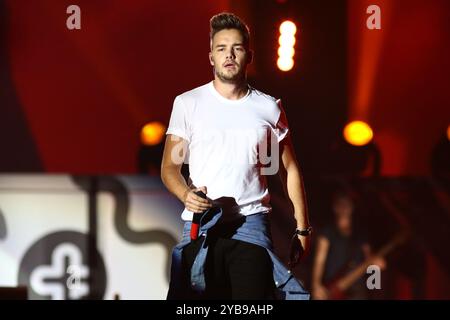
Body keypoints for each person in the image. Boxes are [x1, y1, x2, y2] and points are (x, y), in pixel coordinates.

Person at [161, 12, 311, 300]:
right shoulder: (188, 103)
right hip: (201, 223)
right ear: (211, 57)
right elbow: (170, 167)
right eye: (221, 48)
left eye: (237, 48)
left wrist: (303, 229)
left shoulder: (268, 108)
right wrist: (185, 194)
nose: (229, 55)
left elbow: (288, 169)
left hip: (251, 223)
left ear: (249, 56)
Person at [311, 190, 384, 300]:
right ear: (334, 207)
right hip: (332, 287)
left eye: (347, 204)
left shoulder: (360, 233)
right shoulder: (328, 232)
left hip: (357, 289)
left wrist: (377, 265)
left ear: (352, 207)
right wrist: (316, 285)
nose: (344, 208)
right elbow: (319, 260)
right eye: (340, 204)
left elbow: (369, 258)